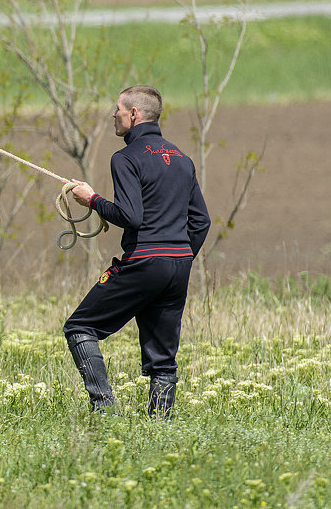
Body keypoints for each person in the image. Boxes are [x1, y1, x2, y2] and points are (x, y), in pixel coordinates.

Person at [63, 85, 210, 419]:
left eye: (117, 109)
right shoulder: (182, 159)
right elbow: (201, 221)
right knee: (163, 359)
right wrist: (181, 257)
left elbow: (130, 217)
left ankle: (105, 411)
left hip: (144, 261)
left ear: (134, 114)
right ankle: (159, 426)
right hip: (178, 266)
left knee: (79, 327)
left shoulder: (126, 158)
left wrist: (92, 200)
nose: (113, 114)